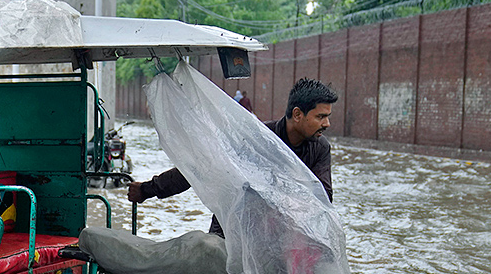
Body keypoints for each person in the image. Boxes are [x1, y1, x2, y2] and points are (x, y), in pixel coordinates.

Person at [127, 77, 338, 235]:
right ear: (298, 114)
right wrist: (148, 189)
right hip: (235, 227)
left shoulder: (319, 148)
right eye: (321, 117)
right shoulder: (257, 139)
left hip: (283, 235)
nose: (327, 124)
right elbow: (202, 167)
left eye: (327, 117)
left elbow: (322, 198)